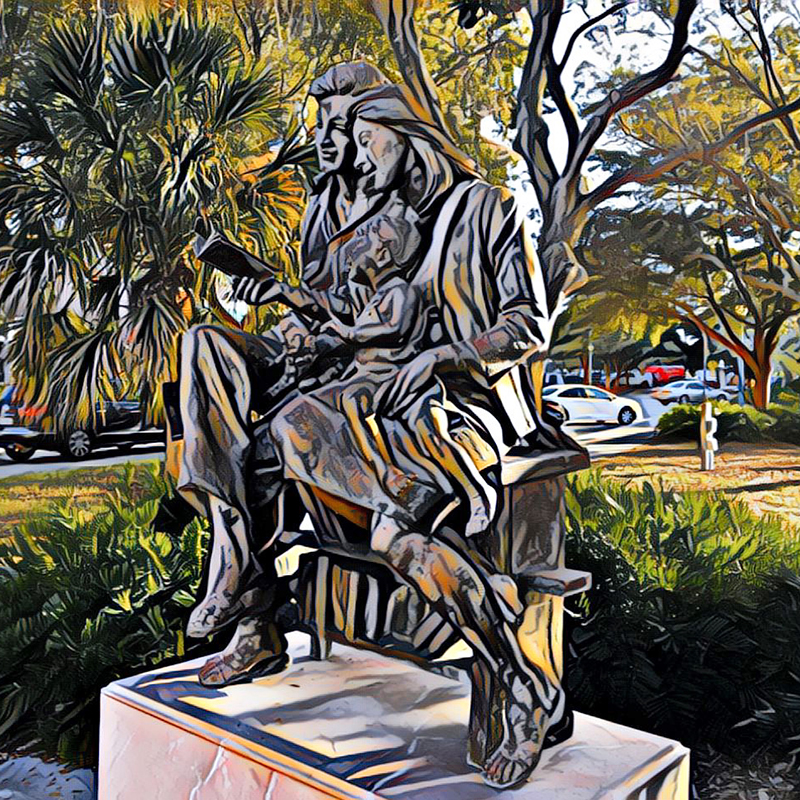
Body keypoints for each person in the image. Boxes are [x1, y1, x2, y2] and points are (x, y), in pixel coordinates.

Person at [269, 84, 587, 789]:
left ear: (403, 133)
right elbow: (357, 323)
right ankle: (526, 680)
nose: (350, 155)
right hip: (378, 405)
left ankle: (523, 691)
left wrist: (444, 356)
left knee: (394, 520)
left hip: (465, 405)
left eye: (362, 139)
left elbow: (527, 327)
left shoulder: (489, 208)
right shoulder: (384, 221)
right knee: (295, 428)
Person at [175, 62, 390, 681]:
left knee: (250, 455)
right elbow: (318, 298)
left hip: (358, 365)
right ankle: (236, 559)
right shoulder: (322, 206)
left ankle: (249, 609)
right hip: (308, 348)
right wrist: (287, 307)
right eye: (320, 124)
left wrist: (309, 317)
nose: (326, 139)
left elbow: (391, 315)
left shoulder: (403, 207)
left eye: (341, 126)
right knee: (205, 345)